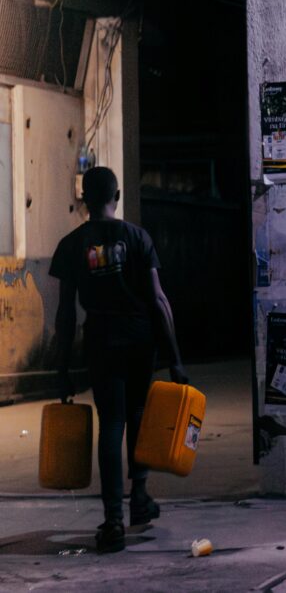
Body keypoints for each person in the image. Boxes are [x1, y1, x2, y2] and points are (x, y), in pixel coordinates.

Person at [50, 167, 187, 554]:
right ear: (118, 195)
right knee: (139, 415)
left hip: (101, 339)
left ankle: (113, 521)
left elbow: (64, 315)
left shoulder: (71, 244)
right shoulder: (137, 237)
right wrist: (175, 357)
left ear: (84, 199)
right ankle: (139, 497)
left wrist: (62, 368)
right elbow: (159, 300)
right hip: (140, 339)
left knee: (111, 422)